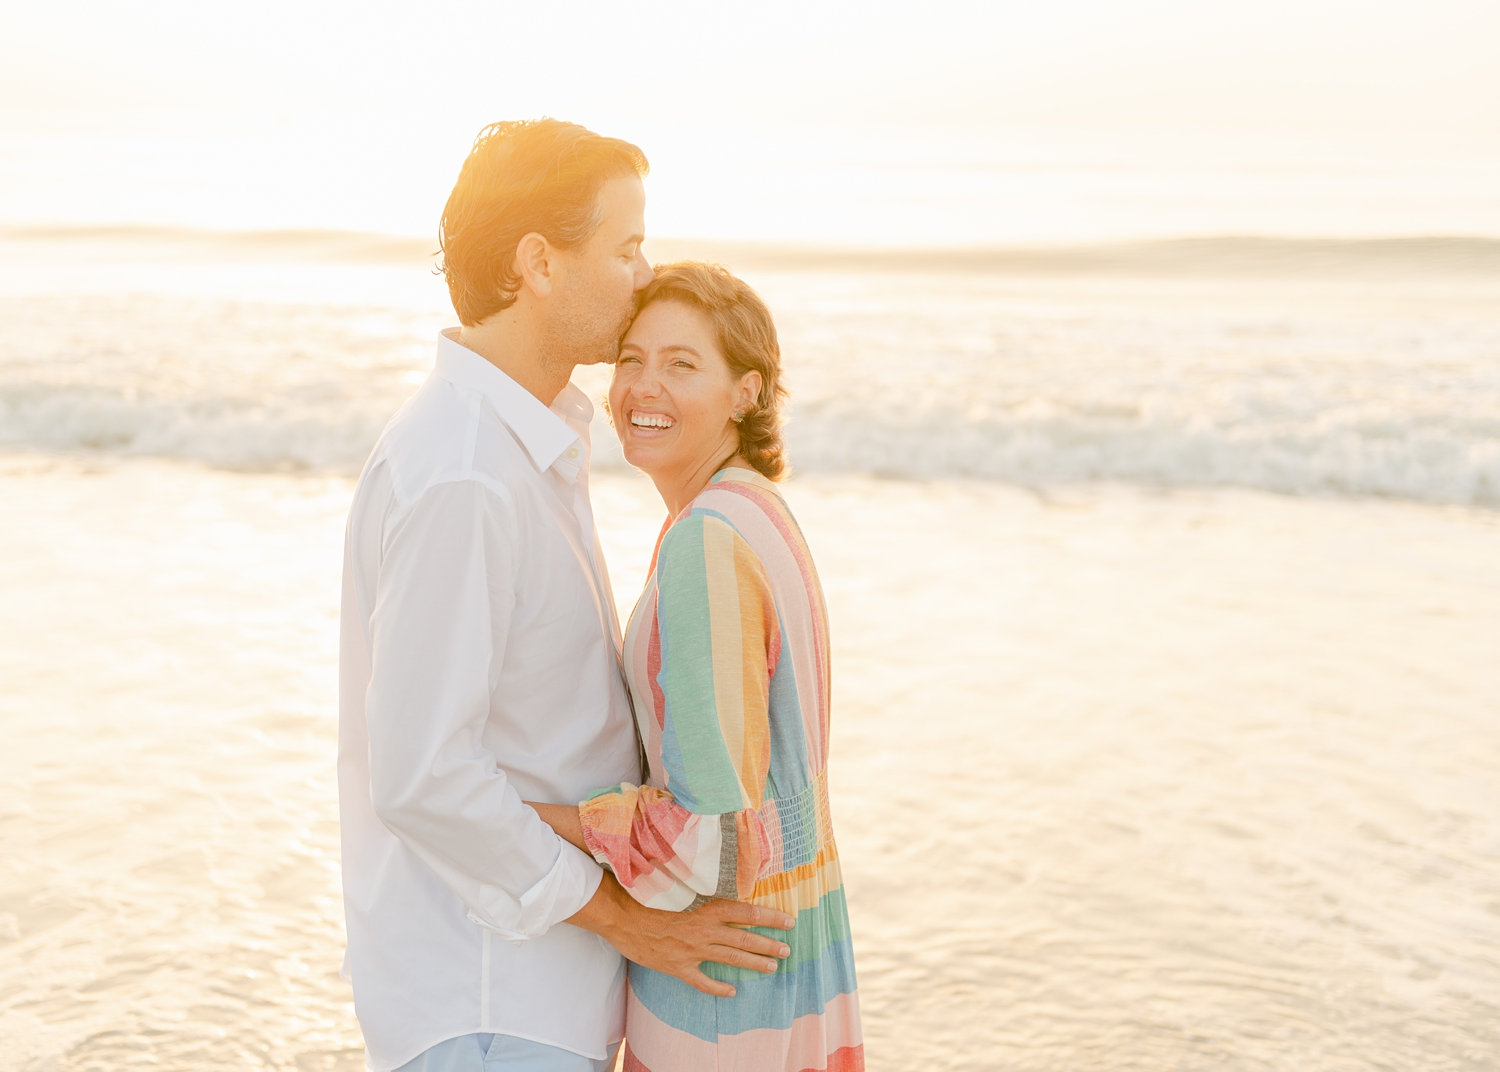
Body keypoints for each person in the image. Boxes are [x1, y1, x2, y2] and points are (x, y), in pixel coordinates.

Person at [337, 121, 793, 1072]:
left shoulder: (526, 446)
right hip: (492, 1008)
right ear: (539, 262)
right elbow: (425, 774)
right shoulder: (465, 474)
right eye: (626, 249)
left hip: (533, 1003)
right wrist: (629, 922)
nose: (643, 274)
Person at [529, 263, 864, 1072]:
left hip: (721, 991)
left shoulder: (707, 542)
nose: (644, 386)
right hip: (793, 953)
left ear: (746, 392)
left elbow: (714, 842)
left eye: (683, 365)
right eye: (632, 360)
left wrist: (533, 817)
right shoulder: (756, 511)